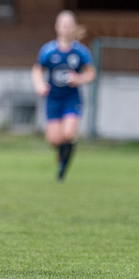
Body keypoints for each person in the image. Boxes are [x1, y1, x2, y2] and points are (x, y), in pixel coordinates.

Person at [31, 10, 96, 181]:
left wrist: (79, 78)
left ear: (74, 28)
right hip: (53, 99)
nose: (66, 28)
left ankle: (63, 168)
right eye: (63, 25)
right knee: (54, 140)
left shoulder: (80, 52)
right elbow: (37, 69)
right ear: (57, 27)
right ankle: (63, 154)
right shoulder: (48, 50)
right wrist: (39, 84)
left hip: (71, 98)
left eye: (69, 25)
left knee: (68, 134)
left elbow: (91, 74)